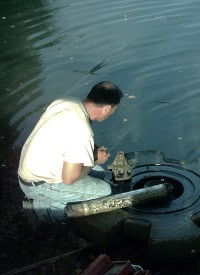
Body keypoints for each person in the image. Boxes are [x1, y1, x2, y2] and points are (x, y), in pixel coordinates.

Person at [18, 81, 123, 222]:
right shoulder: (82, 131)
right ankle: (42, 210)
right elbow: (69, 179)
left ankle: (46, 200)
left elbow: (65, 137)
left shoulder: (67, 102)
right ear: (106, 108)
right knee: (104, 192)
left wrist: (91, 151)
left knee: (101, 173)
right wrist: (94, 160)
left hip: (28, 172)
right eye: (113, 110)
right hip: (39, 185)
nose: (112, 113)